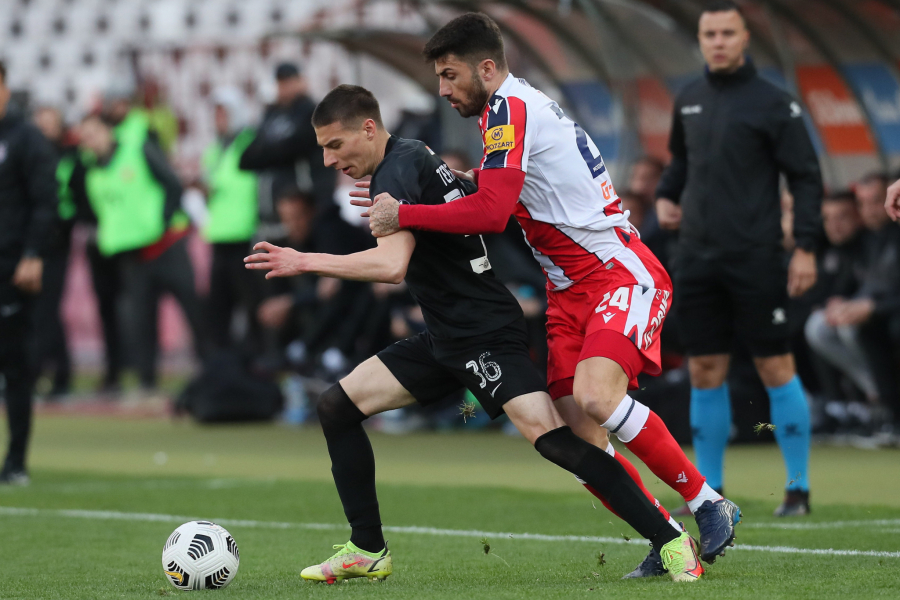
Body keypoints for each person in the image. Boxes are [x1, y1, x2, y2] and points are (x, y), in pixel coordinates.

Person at [245, 84, 702, 583]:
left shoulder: (396, 171)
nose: (329, 160)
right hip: (445, 335)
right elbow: (459, 207)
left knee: (555, 442)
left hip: (484, 333)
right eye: (323, 149)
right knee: (336, 406)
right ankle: (367, 549)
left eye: (336, 145)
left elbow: (391, 265)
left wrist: (303, 261)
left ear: (369, 129)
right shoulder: (410, 157)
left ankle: (671, 538)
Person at [363, 12, 740, 572]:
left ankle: (708, 501)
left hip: (617, 272)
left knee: (596, 397)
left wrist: (405, 214)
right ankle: (667, 537)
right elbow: (512, 191)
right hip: (567, 292)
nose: (442, 89)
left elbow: (492, 212)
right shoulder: (508, 109)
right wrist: (460, 186)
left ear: (485, 68)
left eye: (449, 75)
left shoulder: (508, 108)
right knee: (577, 442)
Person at [652, 1, 823, 516]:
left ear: (745, 38)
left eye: (728, 33)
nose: (719, 42)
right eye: (711, 34)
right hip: (697, 257)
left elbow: (806, 178)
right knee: (704, 368)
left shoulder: (775, 103)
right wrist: (666, 194)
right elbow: (682, 162)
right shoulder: (689, 99)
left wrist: (806, 246)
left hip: (756, 257)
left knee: (775, 365)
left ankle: (797, 489)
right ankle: (710, 493)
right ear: (700, 40)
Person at [78, 114, 206, 391]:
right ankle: (147, 380)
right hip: (132, 253)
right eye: (85, 137)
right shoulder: (93, 170)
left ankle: (213, 370)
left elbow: (172, 183)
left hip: (166, 245)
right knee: (140, 320)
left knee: (193, 310)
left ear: (108, 130)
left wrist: (162, 220)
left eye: (94, 133)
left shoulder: (137, 149)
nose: (90, 140)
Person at [0, 60, 58, 484]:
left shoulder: (26, 138)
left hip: (11, 266)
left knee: (15, 365)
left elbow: (45, 201)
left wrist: (34, 253)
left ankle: (16, 460)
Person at [809, 174, 900, 441]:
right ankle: (873, 402)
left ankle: (886, 405)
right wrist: (846, 303)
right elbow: (866, 286)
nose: (870, 210)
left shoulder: (891, 236)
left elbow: (883, 293)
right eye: (863, 203)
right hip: (882, 312)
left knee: (861, 327)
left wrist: (872, 307)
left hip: (888, 314)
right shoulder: (866, 240)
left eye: (877, 201)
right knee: (822, 324)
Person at [239, 62, 336, 229]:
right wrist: (274, 151)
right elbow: (246, 159)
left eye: (288, 81)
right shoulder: (271, 114)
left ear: (300, 81)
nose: (284, 87)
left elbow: (297, 145)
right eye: (280, 82)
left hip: (305, 212)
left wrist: (268, 151)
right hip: (271, 213)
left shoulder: (312, 113)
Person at [201, 87, 259, 350]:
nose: (219, 119)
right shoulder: (215, 149)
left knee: (250, 303)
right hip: (219, 234)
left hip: (245, 233)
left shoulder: (250, 143)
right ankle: (224, 360)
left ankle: (253, 356)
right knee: (219, 306)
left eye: (223, 113)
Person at [30, 106, 75, 397]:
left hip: (55, 245)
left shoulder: (69, 159)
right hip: (31, 244)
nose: (45, 129)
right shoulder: (29, 157)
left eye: (50, 123)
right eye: (40, 124)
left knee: (46, 311)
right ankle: (58, 374)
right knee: (41, 312)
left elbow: (71, 202)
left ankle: (44, 374)